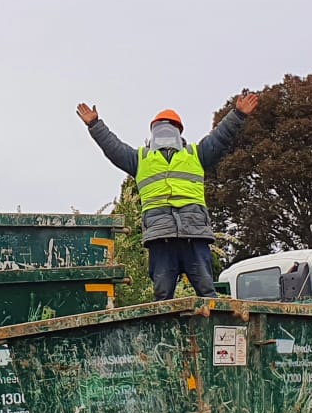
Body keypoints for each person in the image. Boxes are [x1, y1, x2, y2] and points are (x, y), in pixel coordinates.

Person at [77, 93, 260, 299]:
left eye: (170, 128)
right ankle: (164, 331)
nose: (165, 134)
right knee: (162, 297)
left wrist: (237, 115)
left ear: (179, 132)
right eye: (160, 129)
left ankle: (212, 329)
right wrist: (95, 125)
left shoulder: (195, 154)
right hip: (161, 237)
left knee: (207, 293)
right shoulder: (141, 159)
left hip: (193, 233)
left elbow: (220, 136)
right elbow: (113, 148)